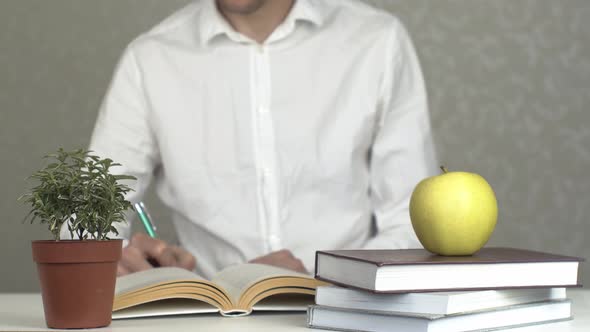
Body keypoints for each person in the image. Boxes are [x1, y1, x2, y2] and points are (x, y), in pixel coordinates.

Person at [88, 0, 438, 278]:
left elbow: (413, 225)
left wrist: (318, 279)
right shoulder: (150, 59)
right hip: (209, 322)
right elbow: (83, 222)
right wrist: (129, 264)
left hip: (346, 317)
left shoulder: (377, 41)